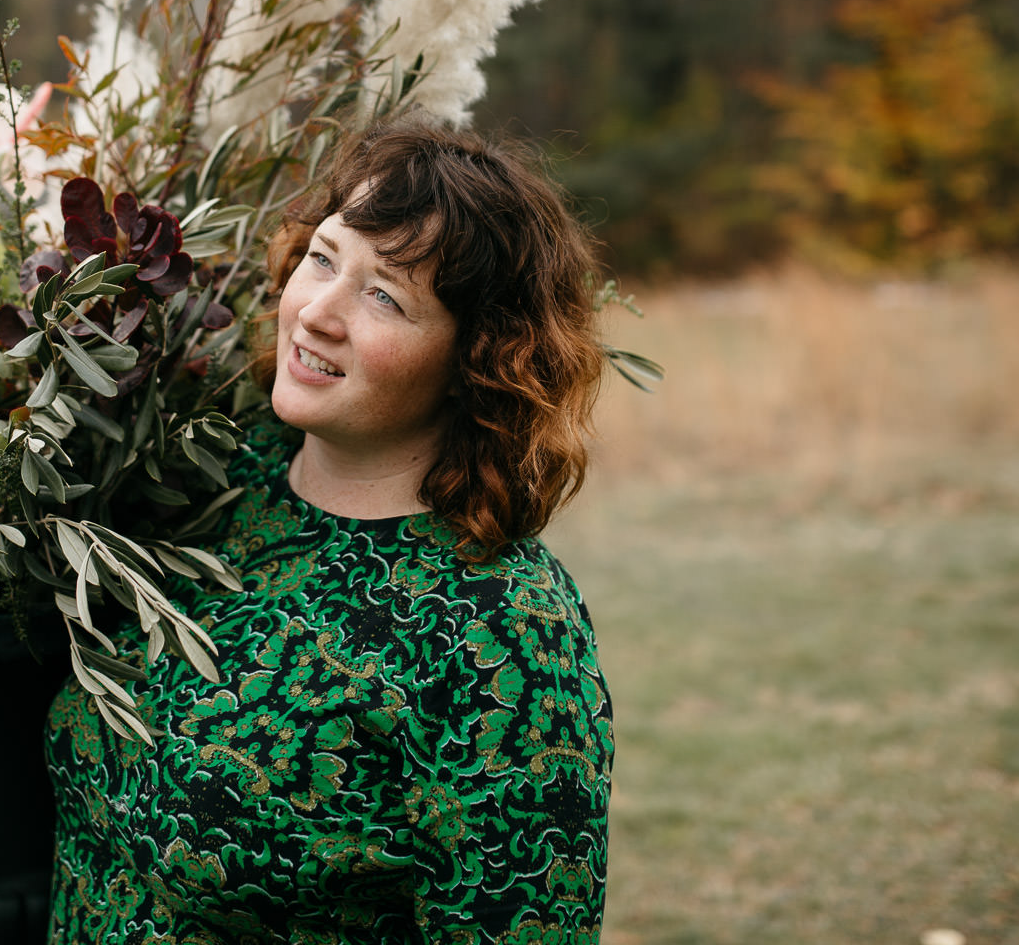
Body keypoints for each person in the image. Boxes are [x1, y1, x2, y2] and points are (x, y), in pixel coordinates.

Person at [43, 121, 614, 942]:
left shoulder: (505, 633)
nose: (317, 312)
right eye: (323, 256)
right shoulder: (204, 478)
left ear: (478, 361)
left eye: (384, 295)